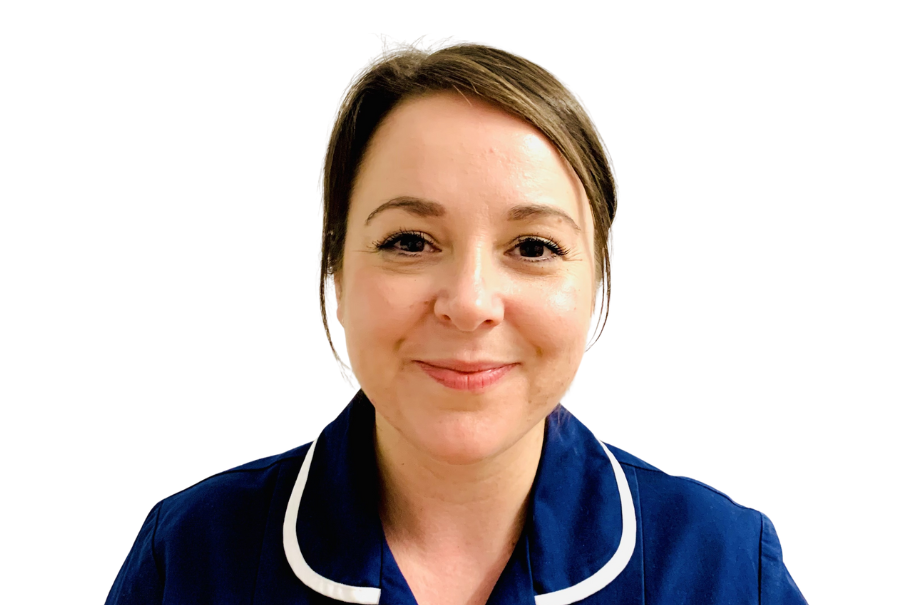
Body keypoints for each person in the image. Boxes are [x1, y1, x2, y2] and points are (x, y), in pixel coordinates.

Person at [106, 43, 807, 605]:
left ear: (593, 282)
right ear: (338, 272)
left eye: (533, 247)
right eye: (409, 242)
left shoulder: (722, 567)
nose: (469, 301)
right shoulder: (193, 555)